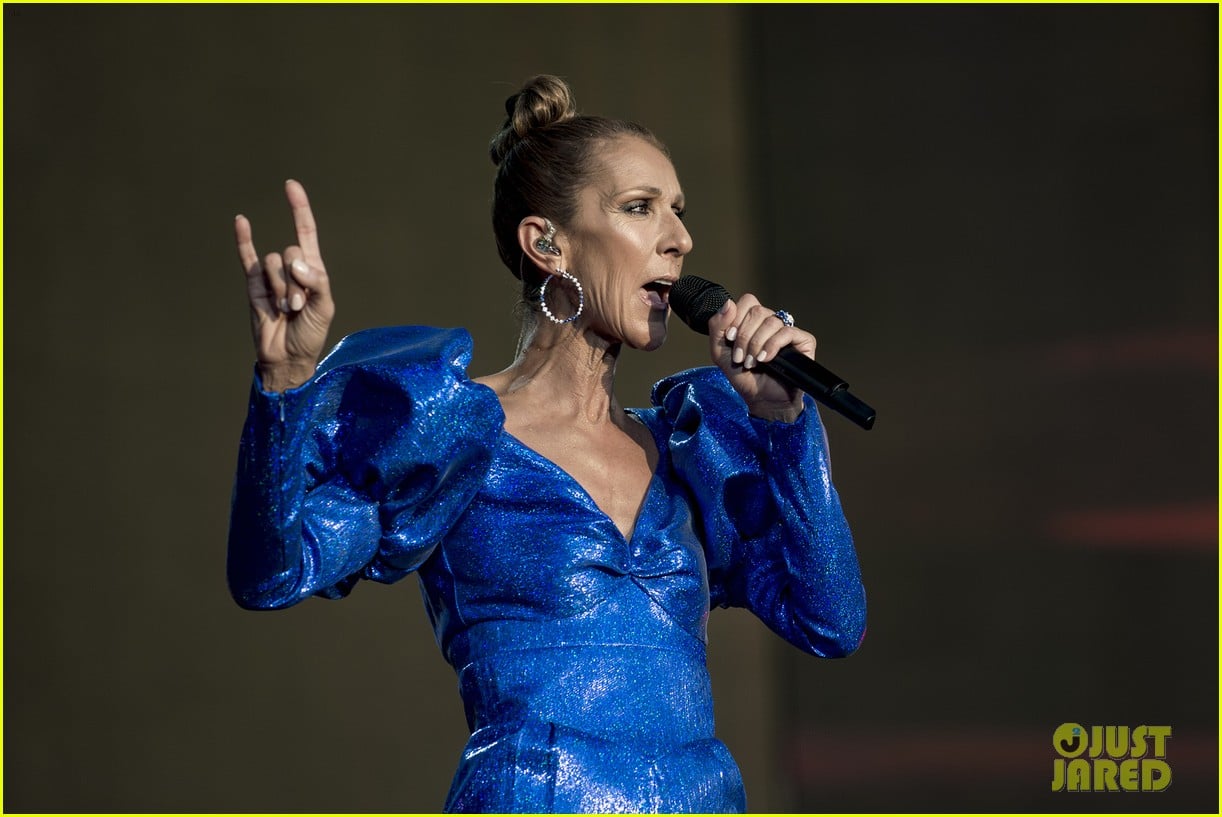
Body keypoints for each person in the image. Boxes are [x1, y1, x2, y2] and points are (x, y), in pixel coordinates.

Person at [227, 74, 865, 813]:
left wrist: (784, 422)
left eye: (679, 211)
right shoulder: (455, 431)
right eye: (640, 207)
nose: (680, 238)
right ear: (547, 242)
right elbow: (269, 575)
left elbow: (832, 620)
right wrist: (285, 383)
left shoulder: (686, 447)